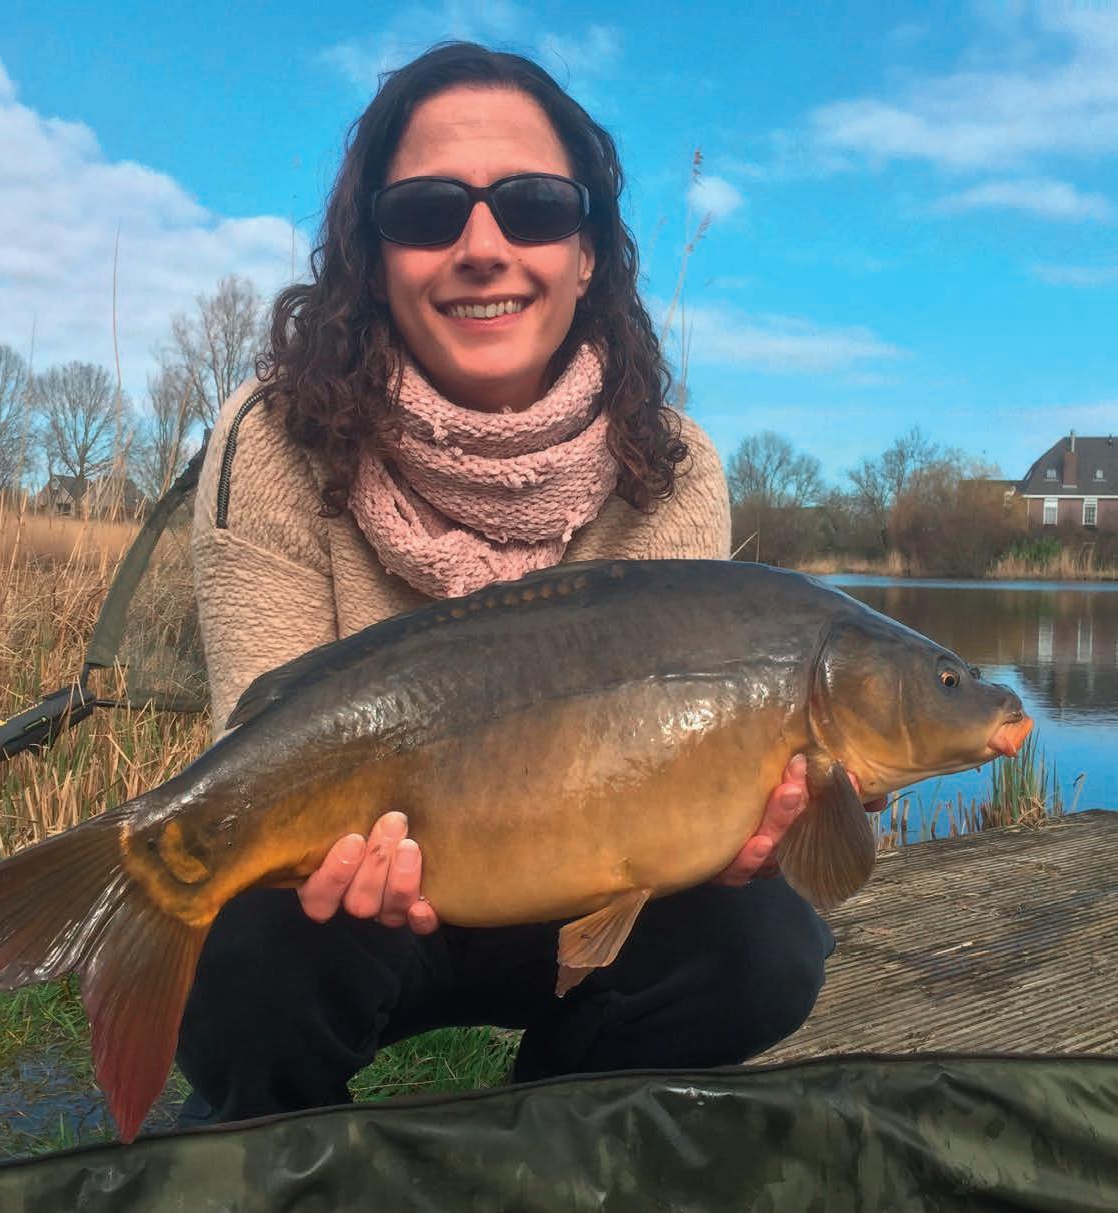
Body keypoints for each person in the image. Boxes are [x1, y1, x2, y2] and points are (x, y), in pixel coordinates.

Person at [178, 41, 862, 1126]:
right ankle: (285, 1144)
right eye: (427, 212)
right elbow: (263, 735)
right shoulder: (274, 437)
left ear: (587, 254)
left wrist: (740, 830)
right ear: (372, 256)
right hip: (357, 897)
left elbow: (684, 769)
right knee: (245, 951)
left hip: (577, 884)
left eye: (535, 206)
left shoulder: (672, 463)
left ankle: (549, 1126)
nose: (483, 247)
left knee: (766, 945)